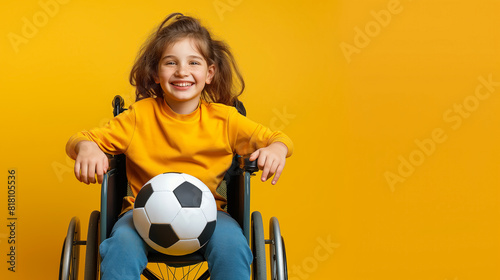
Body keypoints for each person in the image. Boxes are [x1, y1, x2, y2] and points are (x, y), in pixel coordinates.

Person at [65, 13, 293, 280]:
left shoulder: (225, 119)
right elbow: (79, 139)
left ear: (209, 73)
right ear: (156, 73)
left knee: (233, 246)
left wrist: (276, 150)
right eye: (170, 63)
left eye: (193, 62)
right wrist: (87, 148)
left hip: (211, 218)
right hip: (141, 218)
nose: (182, 71)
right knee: (121, 248)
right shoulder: (140, 116)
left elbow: (280, 139)